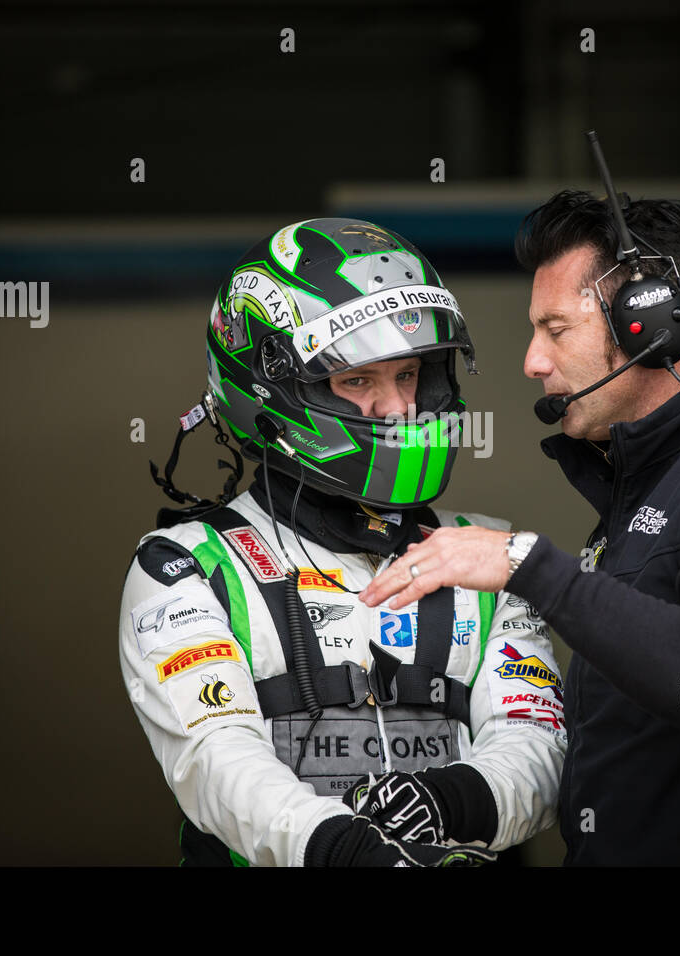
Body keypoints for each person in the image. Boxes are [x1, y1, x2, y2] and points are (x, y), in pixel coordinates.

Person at [360, 191, 680, 865]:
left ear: (650, 326)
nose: (532, 362)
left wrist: (526, 565)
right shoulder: (660, 485)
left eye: (556, 329)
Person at [119, 218, 566, 867]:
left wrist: (452, 798)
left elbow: (539, 742)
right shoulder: (186, 567)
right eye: (358, 381)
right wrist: (349, 851)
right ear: (271, 391)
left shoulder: (488, 552)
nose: (397, 409)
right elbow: (214, 759)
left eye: (409, 375)